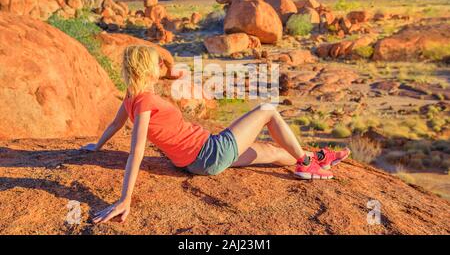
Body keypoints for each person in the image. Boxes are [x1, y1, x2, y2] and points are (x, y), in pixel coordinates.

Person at [83, 45, 350, 224]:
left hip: (198, 161)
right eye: (157, 64)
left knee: (276, 153)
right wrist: (124, 199)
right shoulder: (143, 102)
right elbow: (136, 151)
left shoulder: (132, 97)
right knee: (267, 110)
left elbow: (114, 125)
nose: (162, 66)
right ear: (145, 69)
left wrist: (97, 146)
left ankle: (316, 158)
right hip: (211, 152)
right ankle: (306, 162)